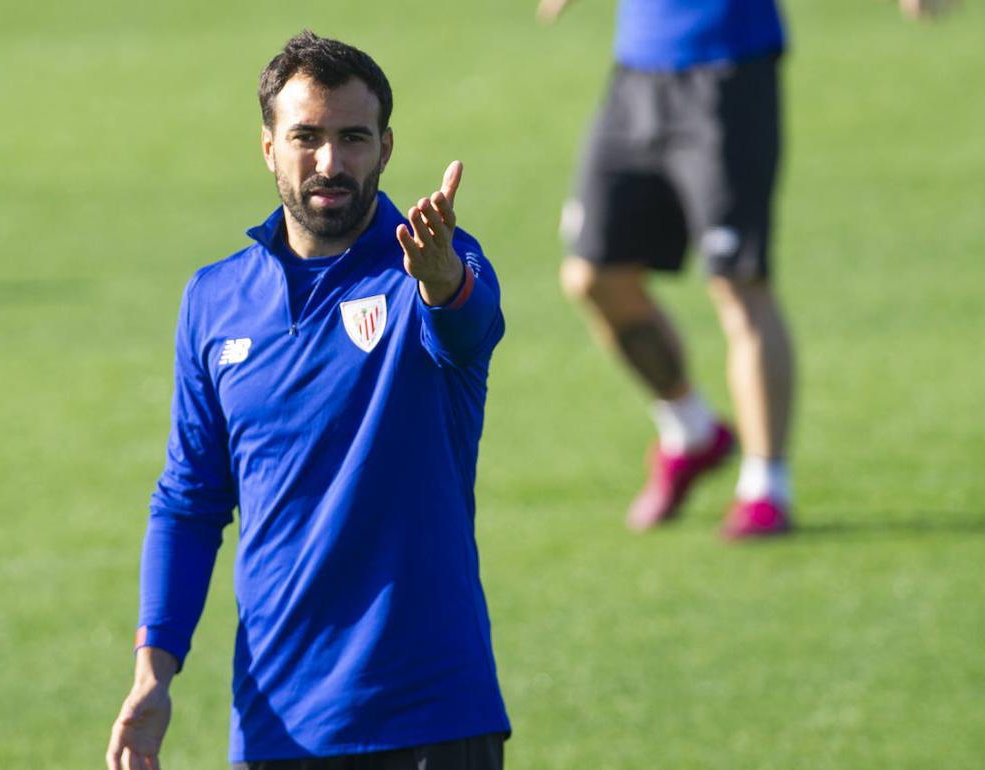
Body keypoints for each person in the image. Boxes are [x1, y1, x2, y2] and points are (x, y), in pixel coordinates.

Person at [106, 30, 509, 770]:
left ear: (386, 148)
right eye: (306, 137)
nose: (330, 162)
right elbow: (189, 502)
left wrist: (441, 278)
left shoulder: (432, 264)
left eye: (353, 138)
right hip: (277, 723)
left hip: (431, 714)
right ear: (269, 148)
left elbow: (468, 325)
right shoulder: (215, 300)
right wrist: (152, 674)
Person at [536, 0, 951, 538]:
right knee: (593, 276)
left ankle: (766, 486)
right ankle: (691, 431)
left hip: (729, 70)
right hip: (635, 72)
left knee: (737, 282)